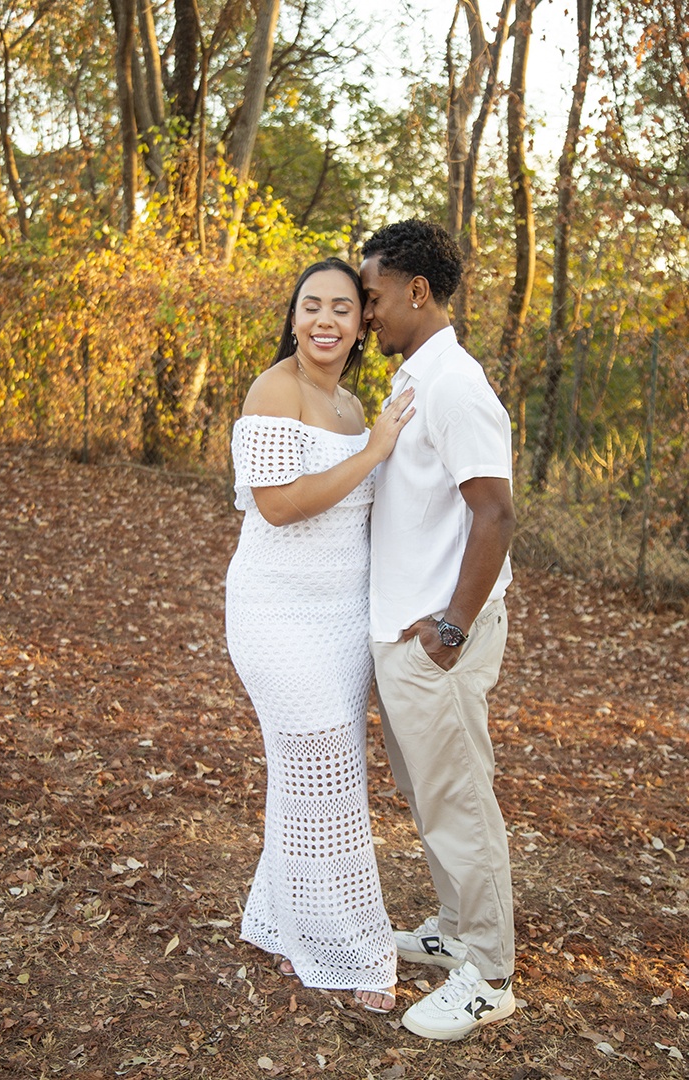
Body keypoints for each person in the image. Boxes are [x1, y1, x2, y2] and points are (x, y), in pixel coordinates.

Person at [225, 256, 415, 1014]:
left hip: (341, 616)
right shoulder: (276, 388)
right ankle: (351, 946)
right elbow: (277, 505)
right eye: (312, 306)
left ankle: (281, 921)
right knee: (323, 763)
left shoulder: (353, 402)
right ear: (294, 316)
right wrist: (376, 451)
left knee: (305, 769)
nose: (326, 320)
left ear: (363, 322)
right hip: (275, 612)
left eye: (343, 306)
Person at [360, 220, 517, 1041]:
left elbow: (494, 513)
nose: (367, 311)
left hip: (438, 642)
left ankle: (488, 971)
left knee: (458, 800)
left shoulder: (454, 382)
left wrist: (451, 629)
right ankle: (456, 929)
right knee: (430, 797)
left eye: (375, 295)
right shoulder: (413, 378)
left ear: (417, 292)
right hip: (406, 634)